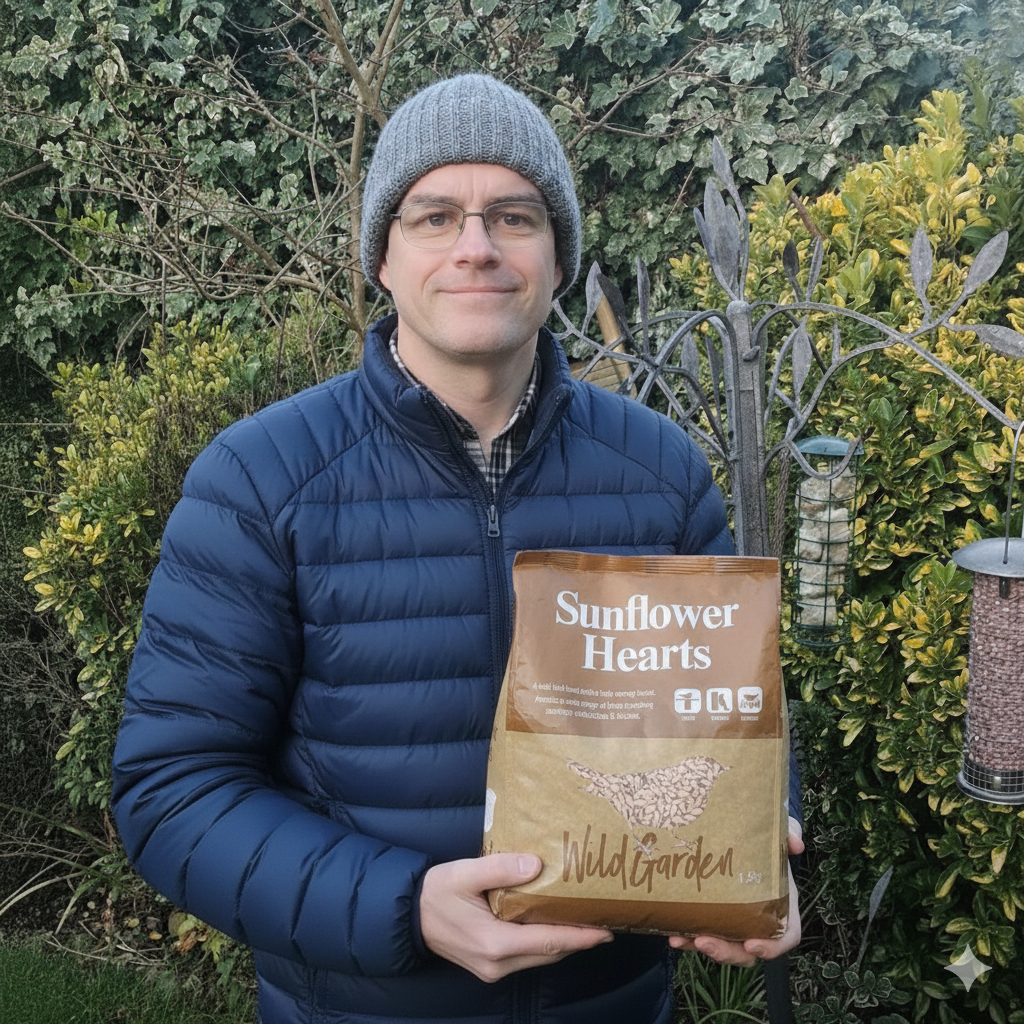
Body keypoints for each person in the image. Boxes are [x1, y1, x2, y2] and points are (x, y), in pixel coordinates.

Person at [112, 73, 802, 1024]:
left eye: (513, 216)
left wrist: (761, 839)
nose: (476, 247)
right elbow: (171, 790)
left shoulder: (660, 472)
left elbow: (733, 711)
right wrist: (404, 907)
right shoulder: (260, 481)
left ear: (557, 257)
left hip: (610, 1004)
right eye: (435, 217)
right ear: (382, 261)